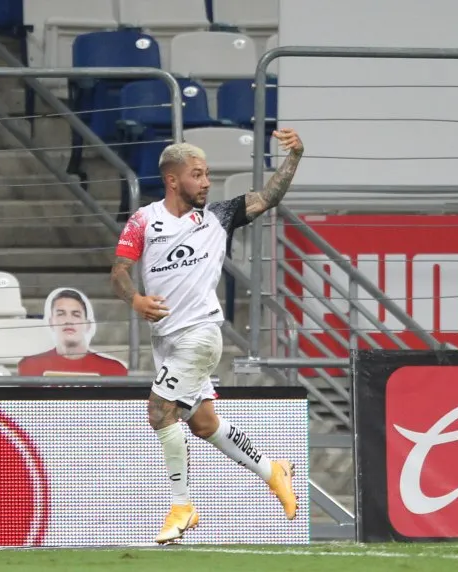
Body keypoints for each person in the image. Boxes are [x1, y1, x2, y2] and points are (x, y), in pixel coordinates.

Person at [110, 128, 305, 544]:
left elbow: (267, 197)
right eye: (197, 175)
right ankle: (273, 471)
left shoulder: (218, 216)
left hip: (199, 335)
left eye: (207, 174)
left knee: (160, 412)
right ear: (173, 179)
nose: (205, 182)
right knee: (202, 422)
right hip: (165, 340)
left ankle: (182, 506)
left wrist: (295, 157)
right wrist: (136, 300)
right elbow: (119, 271)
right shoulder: (144, 220)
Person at [18, 287, 128, 376]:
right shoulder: (30, 366)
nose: (68, 321)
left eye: (76, 315)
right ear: (51, 322)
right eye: (61, 314)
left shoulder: (114, 370)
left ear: (88, 324)